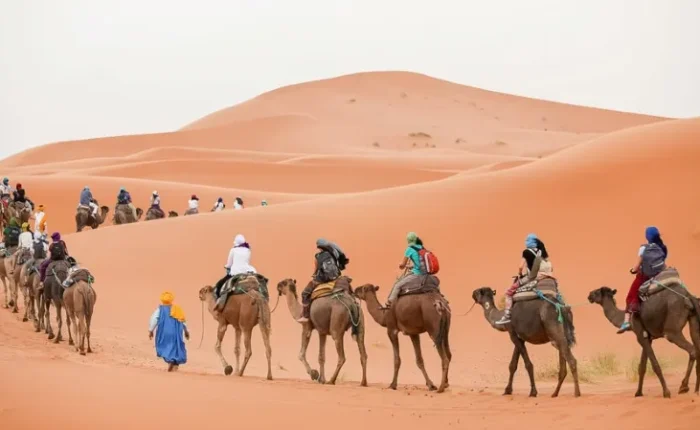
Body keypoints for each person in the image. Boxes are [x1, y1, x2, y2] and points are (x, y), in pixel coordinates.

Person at [617, 226, 668, 334]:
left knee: (631, 296)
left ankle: (626, 321)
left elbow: (637, 265)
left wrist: (633, 270)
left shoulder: (643, 248)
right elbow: (662, 261)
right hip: (659, 275)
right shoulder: (663, 247)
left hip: (645, 276)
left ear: (647, 236)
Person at [496, 233, 551, 325]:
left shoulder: (526, 252)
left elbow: (521, 266)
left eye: (527, 240)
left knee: (509, 293)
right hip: (543, 276)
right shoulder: (541, 251)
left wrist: (520, 273)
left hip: (532, 277)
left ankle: (507, 315)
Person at [297, 238, 349, 322]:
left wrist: (314, 276)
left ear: (319, 247)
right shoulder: (334, 253)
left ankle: (306, 316)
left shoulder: (318, 256)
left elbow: (316, 270)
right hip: (336, 277)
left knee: (305, 293)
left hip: (323, 279)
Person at [148, 291, 189, 372]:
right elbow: (183, 321)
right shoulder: (177, 309)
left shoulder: (160, 310)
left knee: (165, 346)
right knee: (176, 347)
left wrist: (151, 330)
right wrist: (186, 331)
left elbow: (154, 320)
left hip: (164, 332)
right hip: (176, 333)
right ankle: (174, 362)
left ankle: (170, 361)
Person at [385, 232, 427, 308]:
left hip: (417, 274)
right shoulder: (422, 247)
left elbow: (402, 266)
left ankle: (389, 303)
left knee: (398, 285)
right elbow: (421, 262)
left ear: (408, 240)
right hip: (426, 274)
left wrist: (401, 265)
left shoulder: (409, 249)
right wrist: (412, 266)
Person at [213, 234, 256, 298]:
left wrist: (227, 266)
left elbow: (229, 264)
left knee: (219, 285)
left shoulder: (233, 250)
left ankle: (219, 303)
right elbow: (246, 261)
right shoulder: (248, 250)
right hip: (247, 271)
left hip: (235, 273)